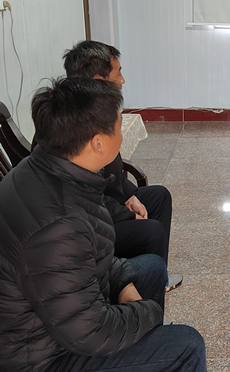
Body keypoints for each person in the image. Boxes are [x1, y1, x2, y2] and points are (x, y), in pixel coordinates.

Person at [0, 77, 206, 371]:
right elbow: (89, 332)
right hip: (42, 356)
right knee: (187, 345)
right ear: (98, 142)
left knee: (153, 268)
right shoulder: (57, 225)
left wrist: (124, 287)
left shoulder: (52, 169)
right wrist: (149, 313)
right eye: (119, 128)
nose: (121, 136)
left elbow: (95, 252)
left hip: (54, 319)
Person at [62, 40, 182, 292]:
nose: (122, 80)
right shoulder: (75, 124)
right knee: (150, 230)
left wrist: (128, 195)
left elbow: (111, 169)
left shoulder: (93, 110)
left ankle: (156, 278)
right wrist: (127, 214)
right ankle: (141, 290)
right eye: (118, 73)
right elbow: (84, 197)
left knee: (159, 197)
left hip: (103, 203)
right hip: (87, 224)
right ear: (98, 79)